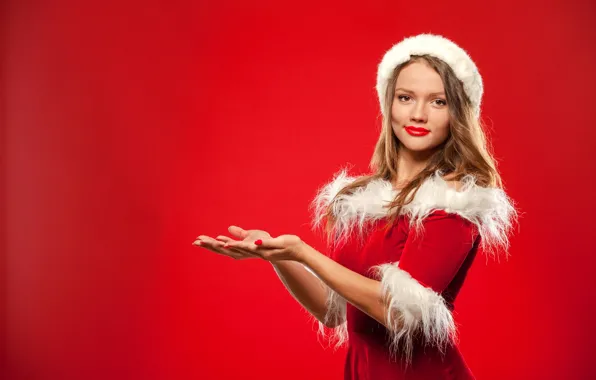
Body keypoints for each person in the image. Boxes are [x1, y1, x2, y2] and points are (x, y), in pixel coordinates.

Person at [193, 33, 517, 379]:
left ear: (458, 113)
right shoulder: (360, 200)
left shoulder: (454, 202)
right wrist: (280, 257)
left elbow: (399, 313)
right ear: (388, 104)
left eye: (438, 102)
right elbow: (334, 312)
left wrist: (304, 252)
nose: (419, 114)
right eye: (405, 97)